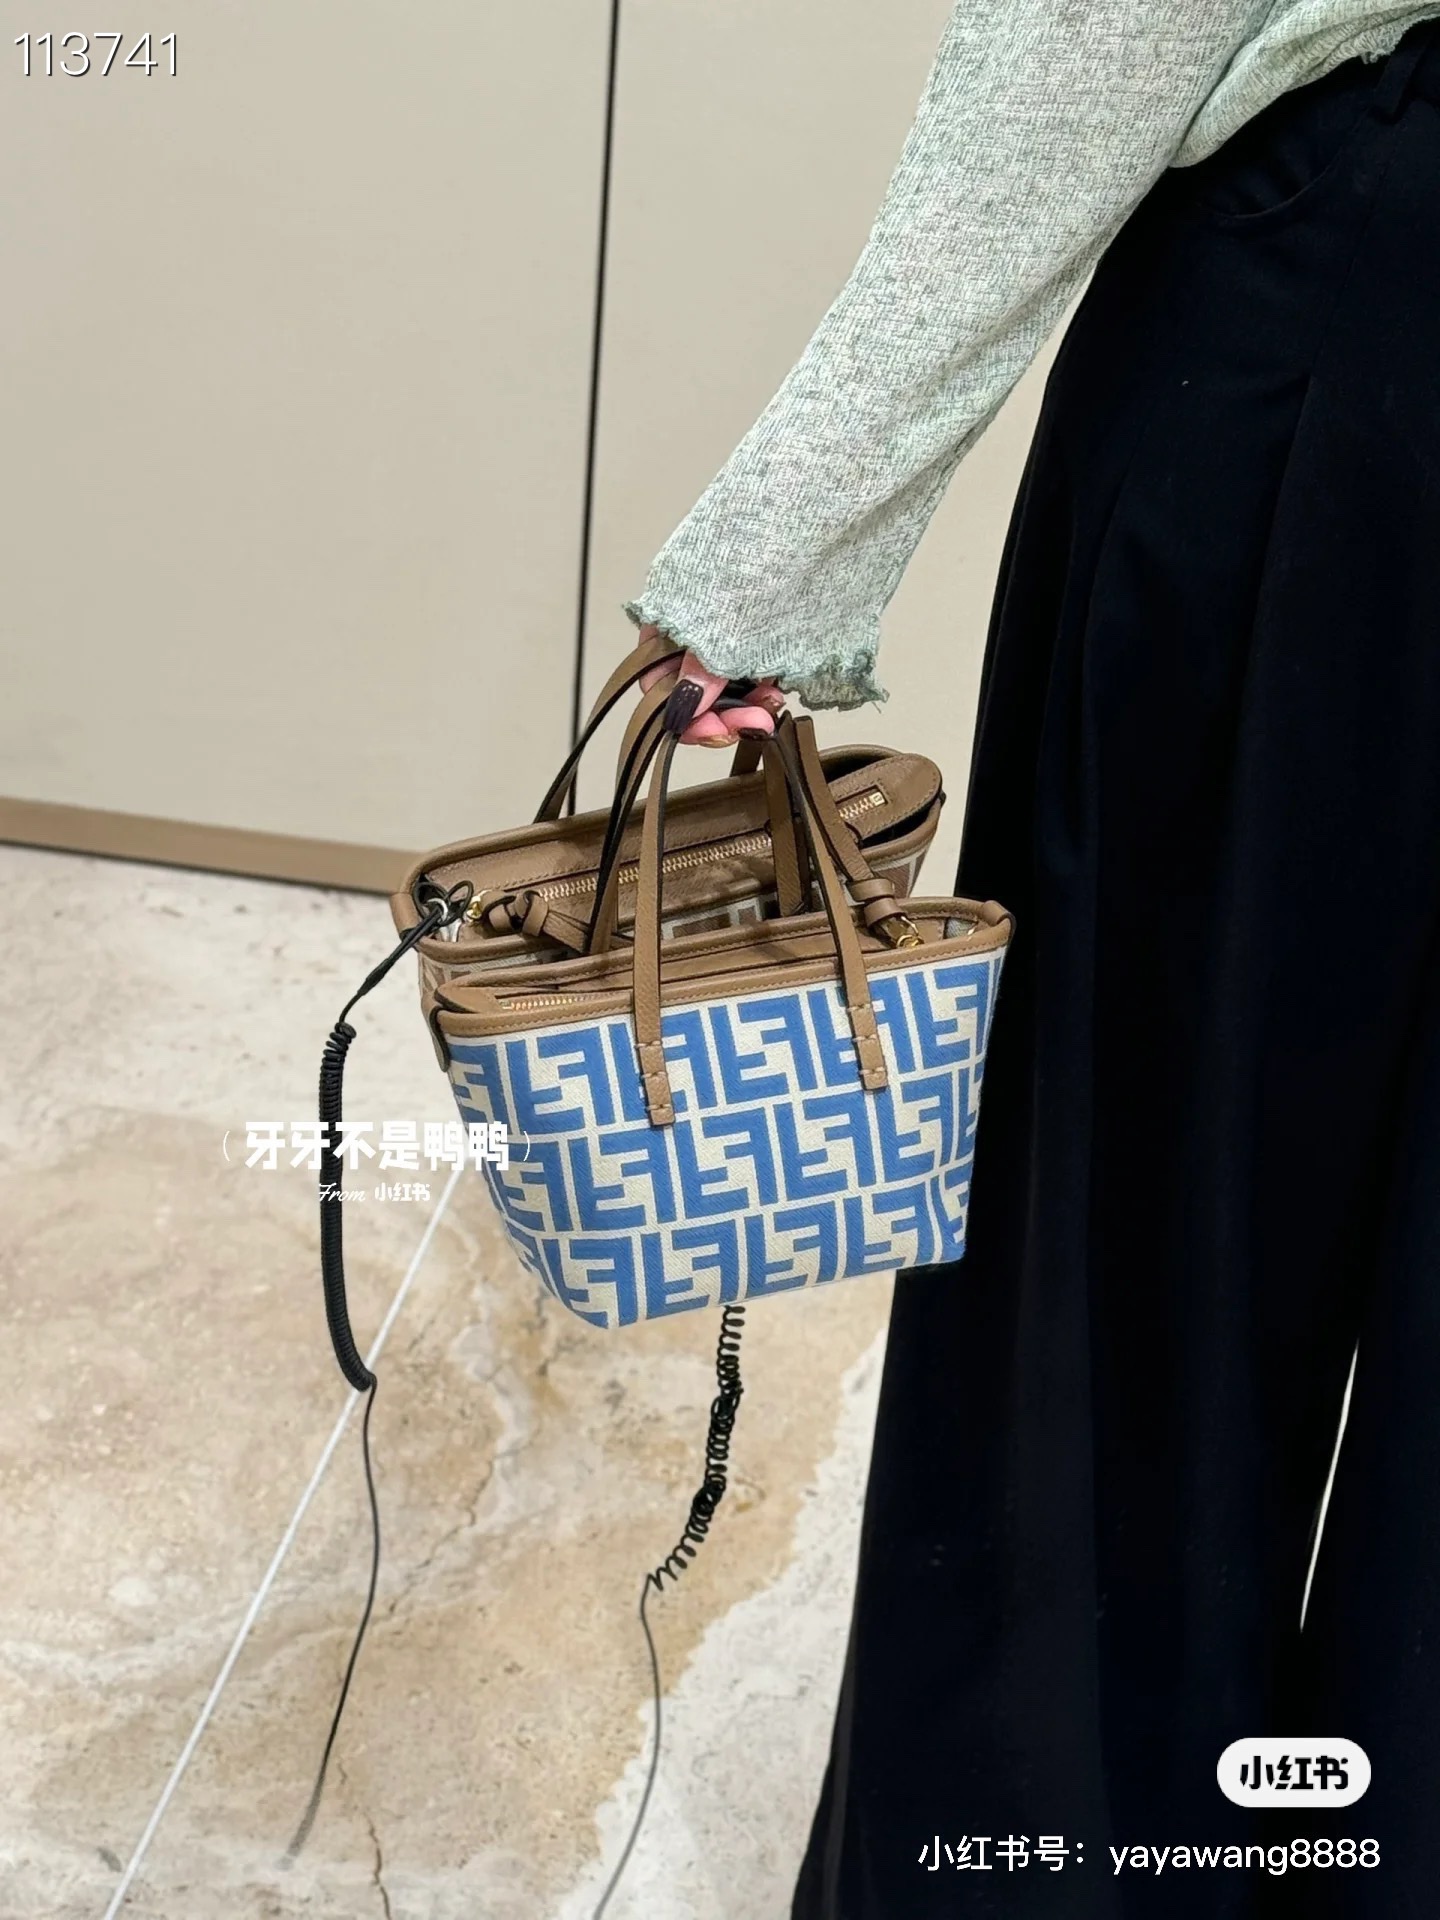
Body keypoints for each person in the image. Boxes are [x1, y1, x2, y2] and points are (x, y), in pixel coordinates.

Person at [623, 6, 1440, 1916]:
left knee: (1140, 1230)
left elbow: (1096, 41)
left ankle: (1068, 1863)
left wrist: (779, 555)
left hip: (1325, 363)